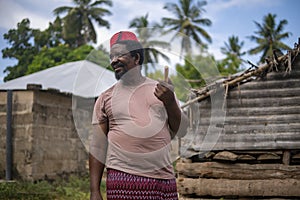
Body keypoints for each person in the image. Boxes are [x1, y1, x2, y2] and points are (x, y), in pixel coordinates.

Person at [89, 31, 189, 200]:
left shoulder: (162, 91)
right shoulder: (105, 98)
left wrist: (170, 101)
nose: (113, 61)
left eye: (119, 55)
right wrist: (94, 191)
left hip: (164, 181)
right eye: (111, 56)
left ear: (136, 58)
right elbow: (98, 146)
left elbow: (182, 131)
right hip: (123, 180)